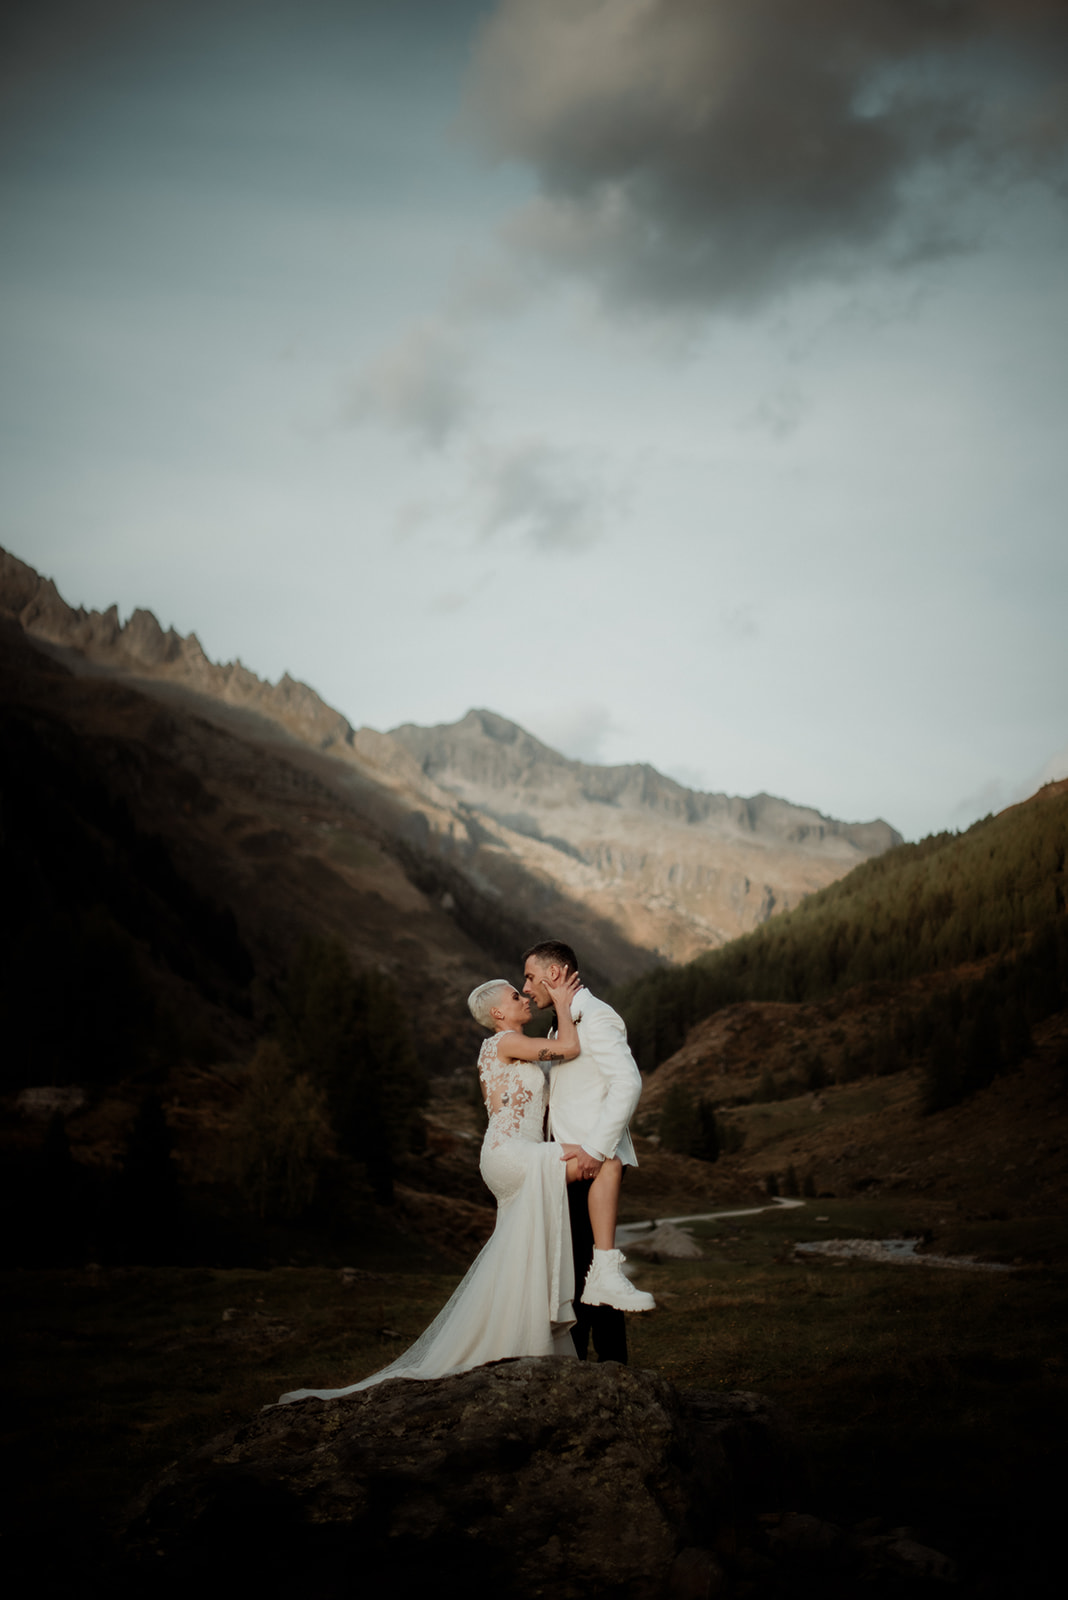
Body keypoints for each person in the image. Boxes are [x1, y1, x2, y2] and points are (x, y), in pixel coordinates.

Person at [274, 968, 586, 1403]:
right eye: (516, 996)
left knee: (519, 1246)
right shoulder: (506, 1042)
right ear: (498, 1012)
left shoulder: (499, 1047)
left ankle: (518, 1339)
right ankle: (581, 1288)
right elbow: (570, 1047)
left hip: (505, 1152)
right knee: (592, 1161)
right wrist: (567, 1002)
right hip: (512, 1152)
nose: (525, 998)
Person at [523, 939, 654, 1365]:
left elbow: (628, 1084)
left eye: (530, 976)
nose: (526, 988)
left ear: (554, 973)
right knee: (582, 1269)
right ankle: (596, 1363)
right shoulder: (560, 1024)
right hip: (569, 1163)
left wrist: (597, 1151)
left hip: (592, 1163)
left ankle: (605, 1364)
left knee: (587, 1267)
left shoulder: (597, 1017)